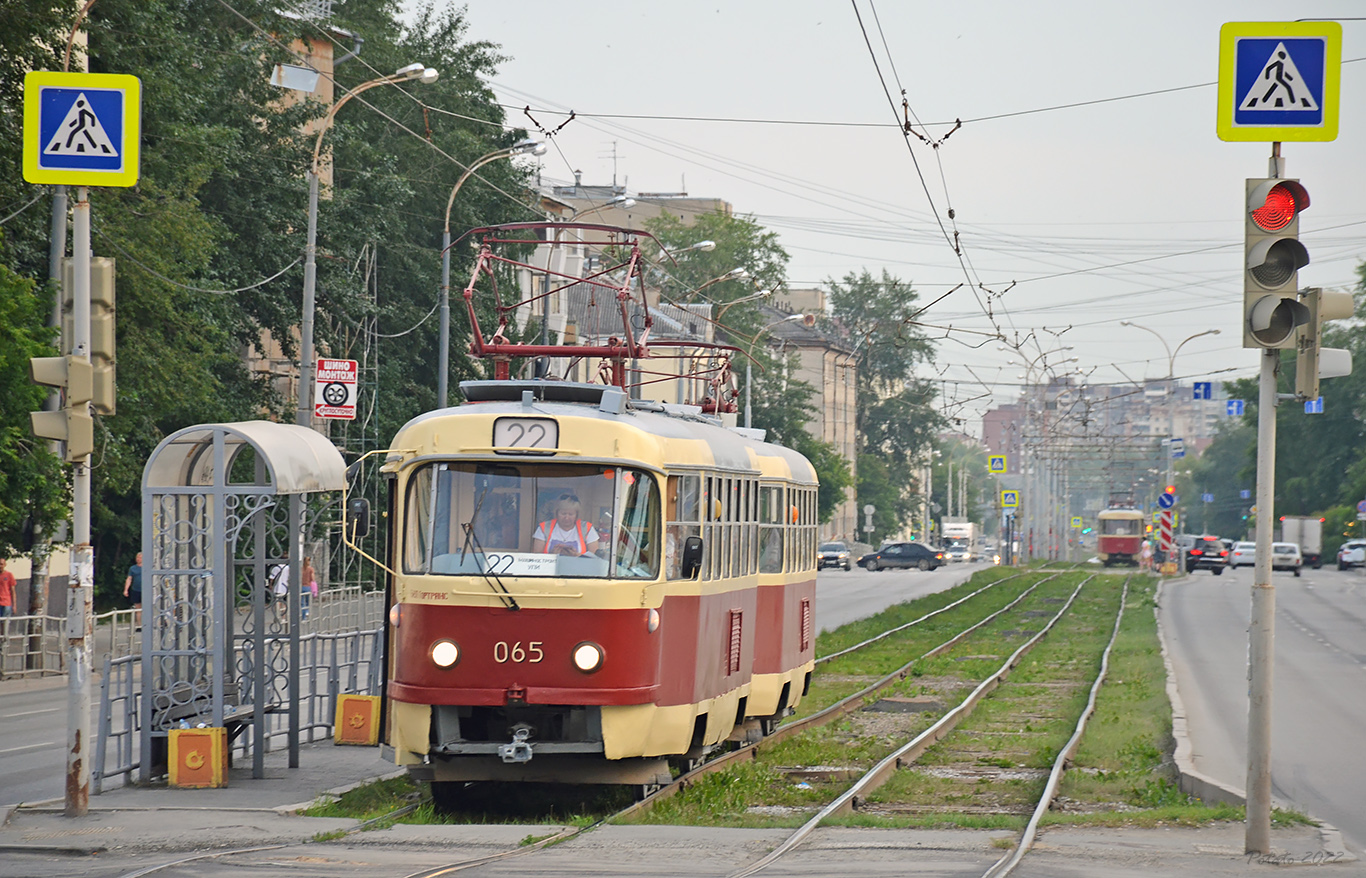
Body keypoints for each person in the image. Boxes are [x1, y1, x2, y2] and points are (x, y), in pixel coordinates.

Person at [532, 494, 600, 556]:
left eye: (571, 514)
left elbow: (594, 557)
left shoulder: (587, 528)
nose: (566, 518)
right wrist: (552, 554)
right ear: (556, 513)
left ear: (577, 515)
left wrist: (577, 555)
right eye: (563, 513)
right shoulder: (544, 528)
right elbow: (536, 556)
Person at [122, 552, 143, 627]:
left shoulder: (148, 567)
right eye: (137, 557)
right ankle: (139, 625)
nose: (138, 559)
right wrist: (126, 589)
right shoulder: (133, 568)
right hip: (136, 590)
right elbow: (129, 579)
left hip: (146, 591)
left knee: (147, 607)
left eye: (140, 557)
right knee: (138, 608)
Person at [300, 556, 318, 621]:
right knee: (307, 601)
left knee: (302, 603)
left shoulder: (301, 569)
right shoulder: (311, 569)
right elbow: (312, 579)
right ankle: (307, 611)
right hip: (308, 586)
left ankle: (303, 617)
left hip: (301, 587)